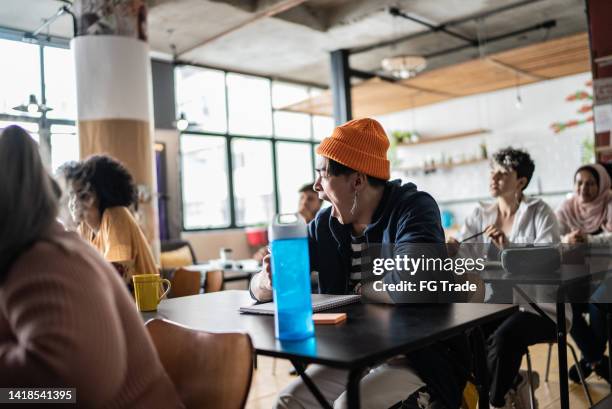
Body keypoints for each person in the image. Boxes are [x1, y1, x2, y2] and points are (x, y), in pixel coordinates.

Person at [250, 118, 469, 409]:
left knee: (347, 406)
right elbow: (262, 286)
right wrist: (268, 279)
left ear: (357, 181)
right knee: (289, 401)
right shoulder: (326, 224)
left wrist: (361, 289)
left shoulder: (413, 208)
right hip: (355, 354)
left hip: (417, 358)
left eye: (323, 175)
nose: (317, 187)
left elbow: (414, 283)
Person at [0, 125, 184, 408]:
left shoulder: (54, 254)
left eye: (79, 193)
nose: (73, 201)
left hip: (148, 307)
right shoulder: (78, 234)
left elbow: (67, 391)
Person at [447, 147, 566, 409]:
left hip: (540, 307)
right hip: (499, 303)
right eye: (493, 171)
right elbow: (464, 261)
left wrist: (509, 248)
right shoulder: (480, 214)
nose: (494, 177)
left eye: (502, 173)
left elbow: (550, 260)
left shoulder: (539, 211)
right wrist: (454, 251)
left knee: (504, 339)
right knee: (468, 333)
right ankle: (510, 384)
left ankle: (494, 401)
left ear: (521, 182)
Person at [556, 164, 611, 383]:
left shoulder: (609, 203)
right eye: (579, 182)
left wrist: (588, 240)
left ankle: (590, 359)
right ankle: (596, 359)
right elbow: (551, 238)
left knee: (600, 299)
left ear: (602, 185)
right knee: (562, 302)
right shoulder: (567, 207)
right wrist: (565, 240)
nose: (583, 188)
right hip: (577, 277)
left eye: (590, 183)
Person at [68, 155, 158, 284]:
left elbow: (115, 279)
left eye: (74, 195)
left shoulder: (116, 216)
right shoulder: (84, 228)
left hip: (147, 303)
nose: (71, 203)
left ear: (91, 196)